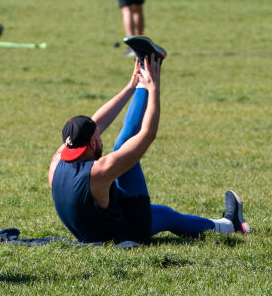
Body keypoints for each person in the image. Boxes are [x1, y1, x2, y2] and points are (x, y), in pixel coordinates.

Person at [49, 36, 249, 244]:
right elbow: (146, 134)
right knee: (126, 147)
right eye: (97, 137)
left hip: (96, 226)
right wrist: (153, 88)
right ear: (91, 143)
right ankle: (230, 226)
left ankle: (227, 224)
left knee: (167, 214)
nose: (100, 136)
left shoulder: (57, 162)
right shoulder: (99, 172)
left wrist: (132, 85)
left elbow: (96, 124)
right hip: (123, 233)